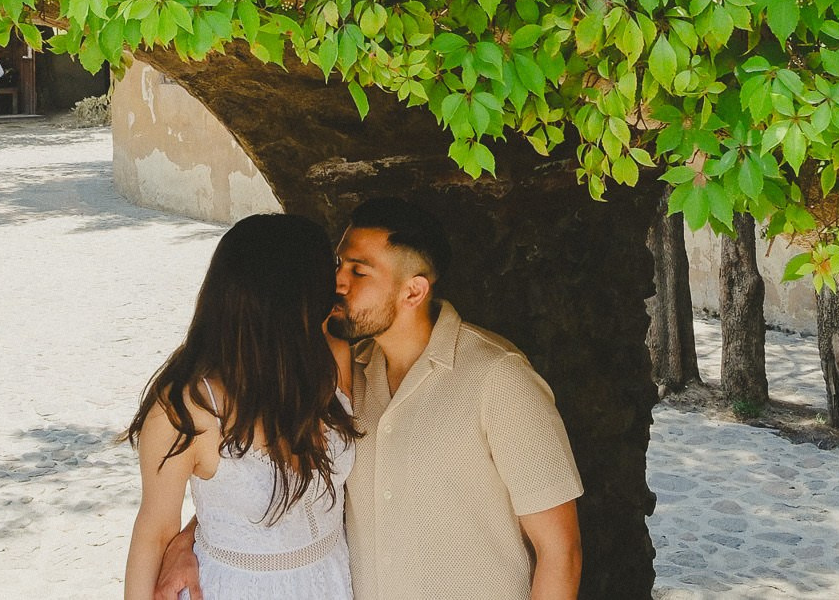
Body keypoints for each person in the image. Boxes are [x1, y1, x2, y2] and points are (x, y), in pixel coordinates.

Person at [154, 197, 583, 600]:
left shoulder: (499, 380)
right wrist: (187, 539)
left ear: (413, 292)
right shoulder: (341, 375)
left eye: (359, 272)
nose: (336, 282)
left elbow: (560, 550)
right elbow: (263, 477)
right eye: (339, 264)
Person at [125, 213, 359, 600]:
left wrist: (192, 534)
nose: (336, 283)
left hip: (330, 582)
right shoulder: (188, 406)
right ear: (292, 296)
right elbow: (154, 531)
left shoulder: (332, 358)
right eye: (328, 269)